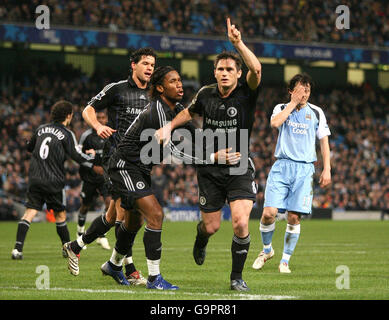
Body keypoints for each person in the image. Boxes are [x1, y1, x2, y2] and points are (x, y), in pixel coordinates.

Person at [155, 18, 262, 291]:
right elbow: (188, 112)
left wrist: (238, 43)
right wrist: (168, 126)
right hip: (210, 169)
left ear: (238, 73)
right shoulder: (206, 94)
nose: (224, 73)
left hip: (238, 167)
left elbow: (257, 68)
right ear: (214, 73)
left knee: (240, 222)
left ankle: (236, 278)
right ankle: (200, 238)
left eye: (229, 69)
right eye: (220, 69)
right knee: (211, 226)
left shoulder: (246, 93)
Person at [63, 47, 156, 285]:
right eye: (145, 63)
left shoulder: (154, 93)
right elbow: (88, 109)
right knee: (130, 215)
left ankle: (76, 245)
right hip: (117, 160)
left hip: (140, 162)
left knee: (114, 215)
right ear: (133, 65)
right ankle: (129, 270)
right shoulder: (117, 89)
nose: (149, 68)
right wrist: (97, 126)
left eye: (152, 65)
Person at [251, 73, 331, 273]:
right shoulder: (281, 108)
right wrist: (292, 103)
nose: (305, 94)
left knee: (294, 217)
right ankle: (267, 250)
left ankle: (285, 261)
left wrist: (327, 168)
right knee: (269, 214)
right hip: (282, 166)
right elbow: (275, 123)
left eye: (308, 90)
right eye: (301, 89)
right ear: (291, 91)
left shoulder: (317, 112)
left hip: (304, 169)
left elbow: (324, 141)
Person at [11, 100, 95, 260]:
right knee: (60, 216)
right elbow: (76, 156)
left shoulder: (41, 129)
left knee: (29, 213)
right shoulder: (67, 133)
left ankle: (17, 250)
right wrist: (92, 159)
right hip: (54, 180)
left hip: (35, 178)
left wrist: (31, 143)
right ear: (68, 116)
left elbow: (29, 147)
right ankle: (67, 249)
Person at [77, 111, 112, 250]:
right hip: (89, 176)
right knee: (85, 206)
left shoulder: (110, 134)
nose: (102, 120)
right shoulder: (87, 136)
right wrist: (92, 165)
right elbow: (78, 155)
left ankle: (101, 235)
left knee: (109, 204)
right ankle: (80, 232)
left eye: (104, 117)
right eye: (99, 118)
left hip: (104, 176)